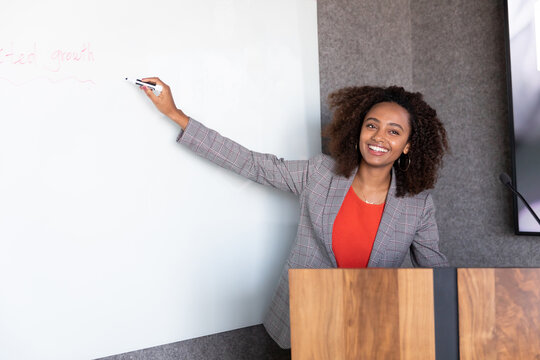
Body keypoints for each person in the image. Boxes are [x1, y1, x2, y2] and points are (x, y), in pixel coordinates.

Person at [139, 77, 449, 349]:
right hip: (306, 319)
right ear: (359, 131)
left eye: (394, 132)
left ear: (408, 145)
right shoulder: (319, 173)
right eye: (372, 125)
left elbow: (435, 270)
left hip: (371, 328)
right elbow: (252, 164)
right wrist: (174, 114)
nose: (379, 137)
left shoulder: (417, 204)